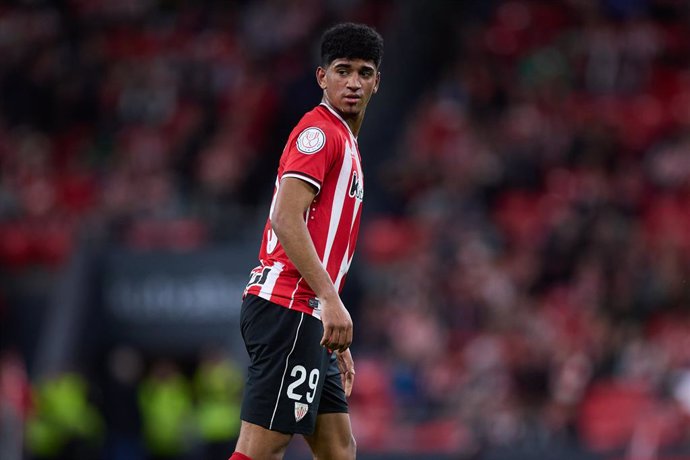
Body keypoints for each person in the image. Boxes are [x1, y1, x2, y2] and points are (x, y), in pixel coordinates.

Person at [230, 22, 383, 460]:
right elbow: (285, 217)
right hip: (289, 305)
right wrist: (330, 299)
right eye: (342, 70)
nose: (353, 82)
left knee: (338, 447)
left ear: (377, 81)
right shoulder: (319, 133)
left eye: (364, 72)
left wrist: (331, 323)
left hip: (309, 313)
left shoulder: (347, 141)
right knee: (264, 446)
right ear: (322, 77)